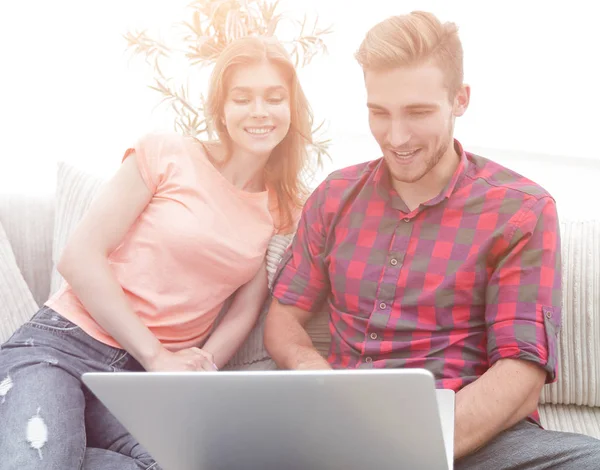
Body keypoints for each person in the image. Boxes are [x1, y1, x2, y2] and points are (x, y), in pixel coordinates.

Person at [264, 11, 600, 469]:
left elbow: (521, 374)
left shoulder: (521, 209)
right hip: (344, 432)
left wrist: (414, 447)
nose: (396, 136)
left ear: (459, 99)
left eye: (418, 112)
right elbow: (284, 319)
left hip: (476, 438)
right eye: (379, 112)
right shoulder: (334, 197)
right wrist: (309, 368)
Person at [0, 35, 315, 469]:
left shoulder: (284, 209)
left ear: (291, 108)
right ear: (221, 108)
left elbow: (244, 310)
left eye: (274, 98)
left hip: (143, 385)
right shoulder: (166, 153)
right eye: (243, 98)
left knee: (187, 462)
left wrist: (197, 371)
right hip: (62, 348)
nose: (259, 111)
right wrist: (157, 356)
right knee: (42, 459)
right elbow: (80, 256)